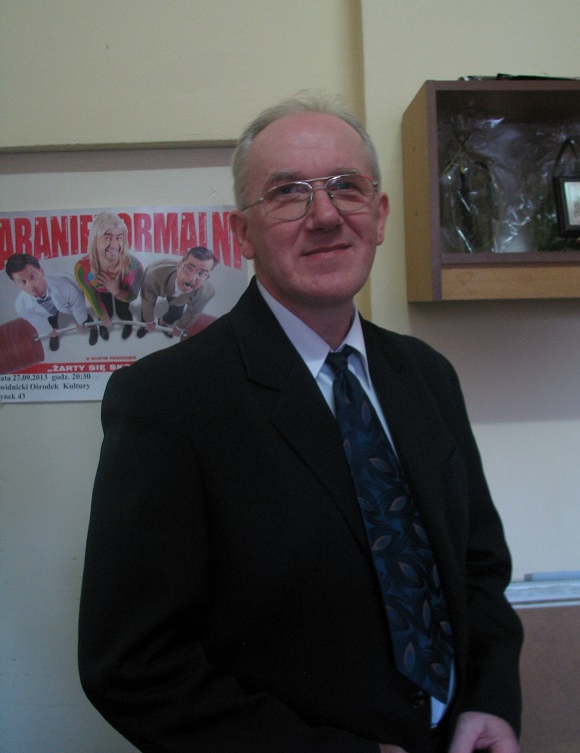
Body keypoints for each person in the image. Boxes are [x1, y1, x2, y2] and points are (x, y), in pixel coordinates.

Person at [79, 94, 523, 753]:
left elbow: (477, 567)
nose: (325, 215)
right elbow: (133, 667)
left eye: (347, 187)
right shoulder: (167, 401)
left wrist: (490, 699)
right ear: (241, 233)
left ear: (379, 215)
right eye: (288, 193)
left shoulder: (426, 375)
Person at [74, 211, 143, 343]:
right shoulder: (82, 269)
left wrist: (116, 291)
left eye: (119, 238)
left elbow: (133, 296)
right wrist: (103, 317)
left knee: (123, 312)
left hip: (122, 291)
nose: (114, 245)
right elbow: (92, 296)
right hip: (101, 292)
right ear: (95, 240)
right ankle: (103, 327)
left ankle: (128, 324)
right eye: (107, 237)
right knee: (106, 311)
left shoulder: (134, 267)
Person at [6, 253, 94, 350]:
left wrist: (80, 322)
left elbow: (78, 306)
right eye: (22, 282)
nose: (30, 286)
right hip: (48, 309)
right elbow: (37, 320)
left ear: (41, 271)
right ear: (16, 283)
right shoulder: (21, 305)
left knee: (84, 319)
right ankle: (54, 334)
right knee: (50, 320)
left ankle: (93, 328)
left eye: (32, 276)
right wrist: (49, 331)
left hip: (68, 296)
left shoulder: (67, 288)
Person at [136, 247, 217, 339]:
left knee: (176, 314)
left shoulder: (206, 293)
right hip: (158, 277)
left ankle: (162, 322)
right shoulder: (153, 276)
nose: (192, 279)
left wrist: (179, 327)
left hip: (176, 293)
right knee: (145, 311)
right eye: (189, 268)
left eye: (202, 274)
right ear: (179, 266)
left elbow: (193, 313)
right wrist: (149, 321)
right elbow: (147, 301)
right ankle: (144, 325)